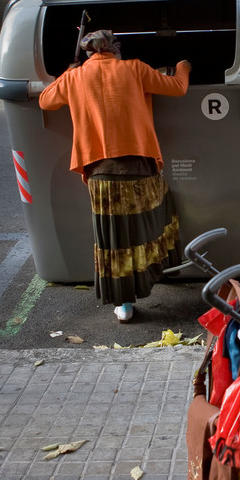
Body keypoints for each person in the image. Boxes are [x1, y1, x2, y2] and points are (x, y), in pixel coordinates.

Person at [38, 30, 191, 323]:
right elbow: (178, 87)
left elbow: (45, 101)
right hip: (139, 166)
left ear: (88, 54)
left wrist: (66, 74)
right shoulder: (134, 68)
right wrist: (184, 64)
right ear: (116, 50)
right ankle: (158, 271)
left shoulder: (74, 78)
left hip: (99, 172)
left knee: (113, 238)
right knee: (154, 220)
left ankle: (123, 304)